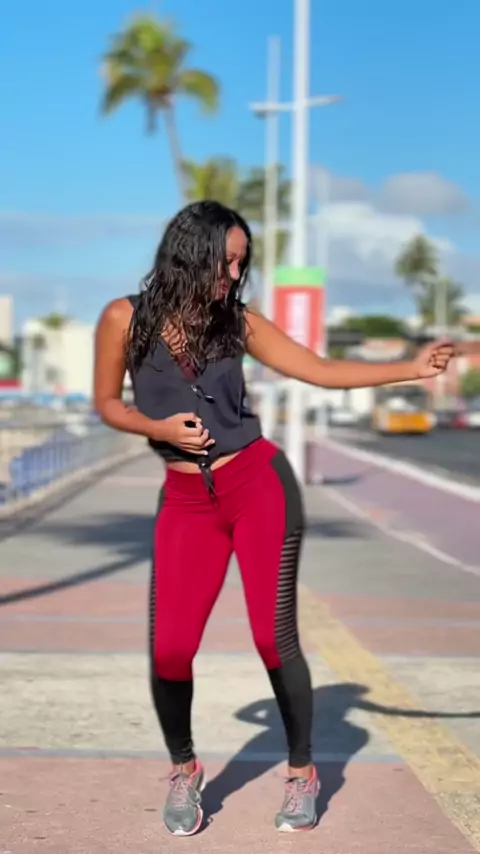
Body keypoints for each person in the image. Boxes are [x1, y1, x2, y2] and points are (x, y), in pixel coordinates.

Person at [94, 200, 453, 837]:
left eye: (242, 263)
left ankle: (302, 773)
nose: (234, 275)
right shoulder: (124, 318)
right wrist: (158, 428)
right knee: (171, 647)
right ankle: (184, 768)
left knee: (271, 636)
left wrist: (410, 369)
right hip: (185, 500)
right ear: (191, 253)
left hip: (258, 486)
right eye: (226, 261)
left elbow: (321, 369)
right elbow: (106, 403)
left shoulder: (239, 323)